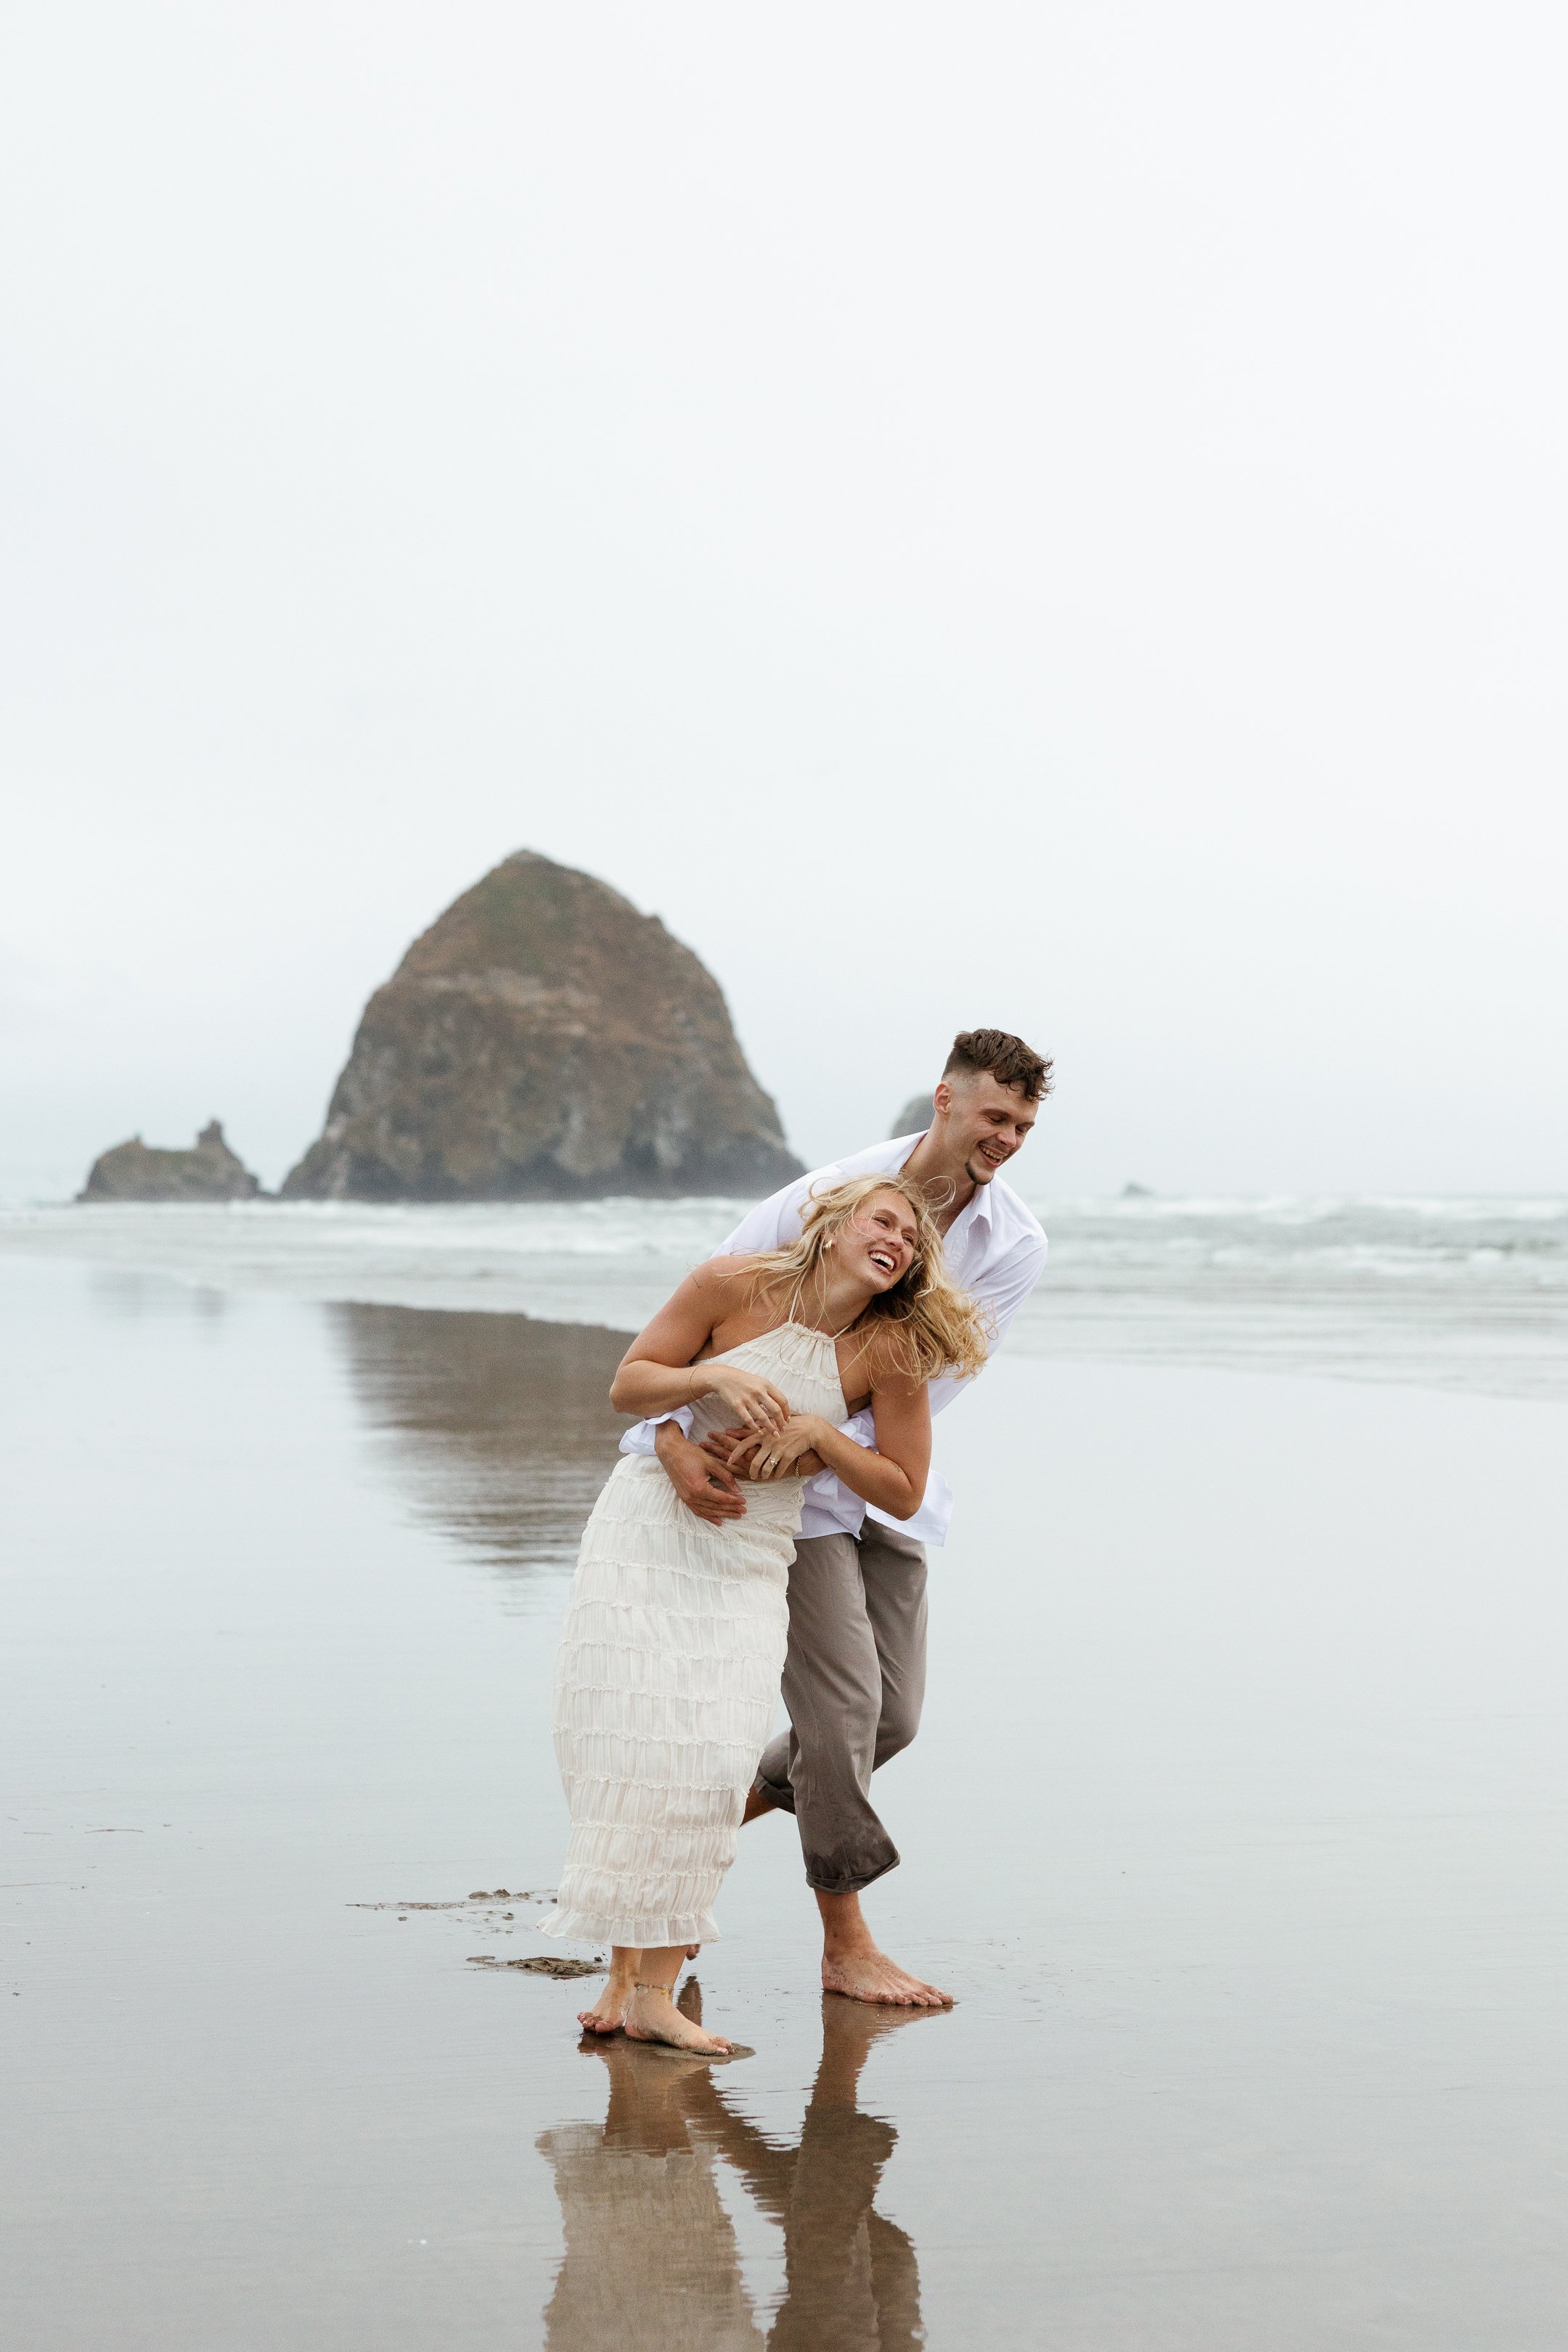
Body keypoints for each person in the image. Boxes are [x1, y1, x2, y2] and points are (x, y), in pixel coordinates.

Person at [629, 1026, 1052, 2011]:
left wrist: (826, 1441)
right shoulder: (828, 1196)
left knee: (887, 1721)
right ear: (943, 1100)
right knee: (839, 1717)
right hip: (778, 1496)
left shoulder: (1015, 1245)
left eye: (1025, 1124)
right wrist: (670, 1445)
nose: (1008, 1138)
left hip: (877, 1480)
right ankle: (846, 1943)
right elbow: (696, 1325)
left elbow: (926, 1387)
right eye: (995, 1115)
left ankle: (678, 1855)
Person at [539, 1173, 989, 2056]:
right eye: (884, 1220)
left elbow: (904, 1487)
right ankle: (637, 1986)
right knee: (641, 1746)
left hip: (753, 1551)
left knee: (708, 1760)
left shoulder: (890, 1351)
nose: (898, 1239)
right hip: (652, 1530)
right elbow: (630, 1385)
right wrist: (705, 1379)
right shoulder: (729, 1284)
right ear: (834, 1221)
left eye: (913, 1240)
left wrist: (824, 1440)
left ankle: (649, 1989)